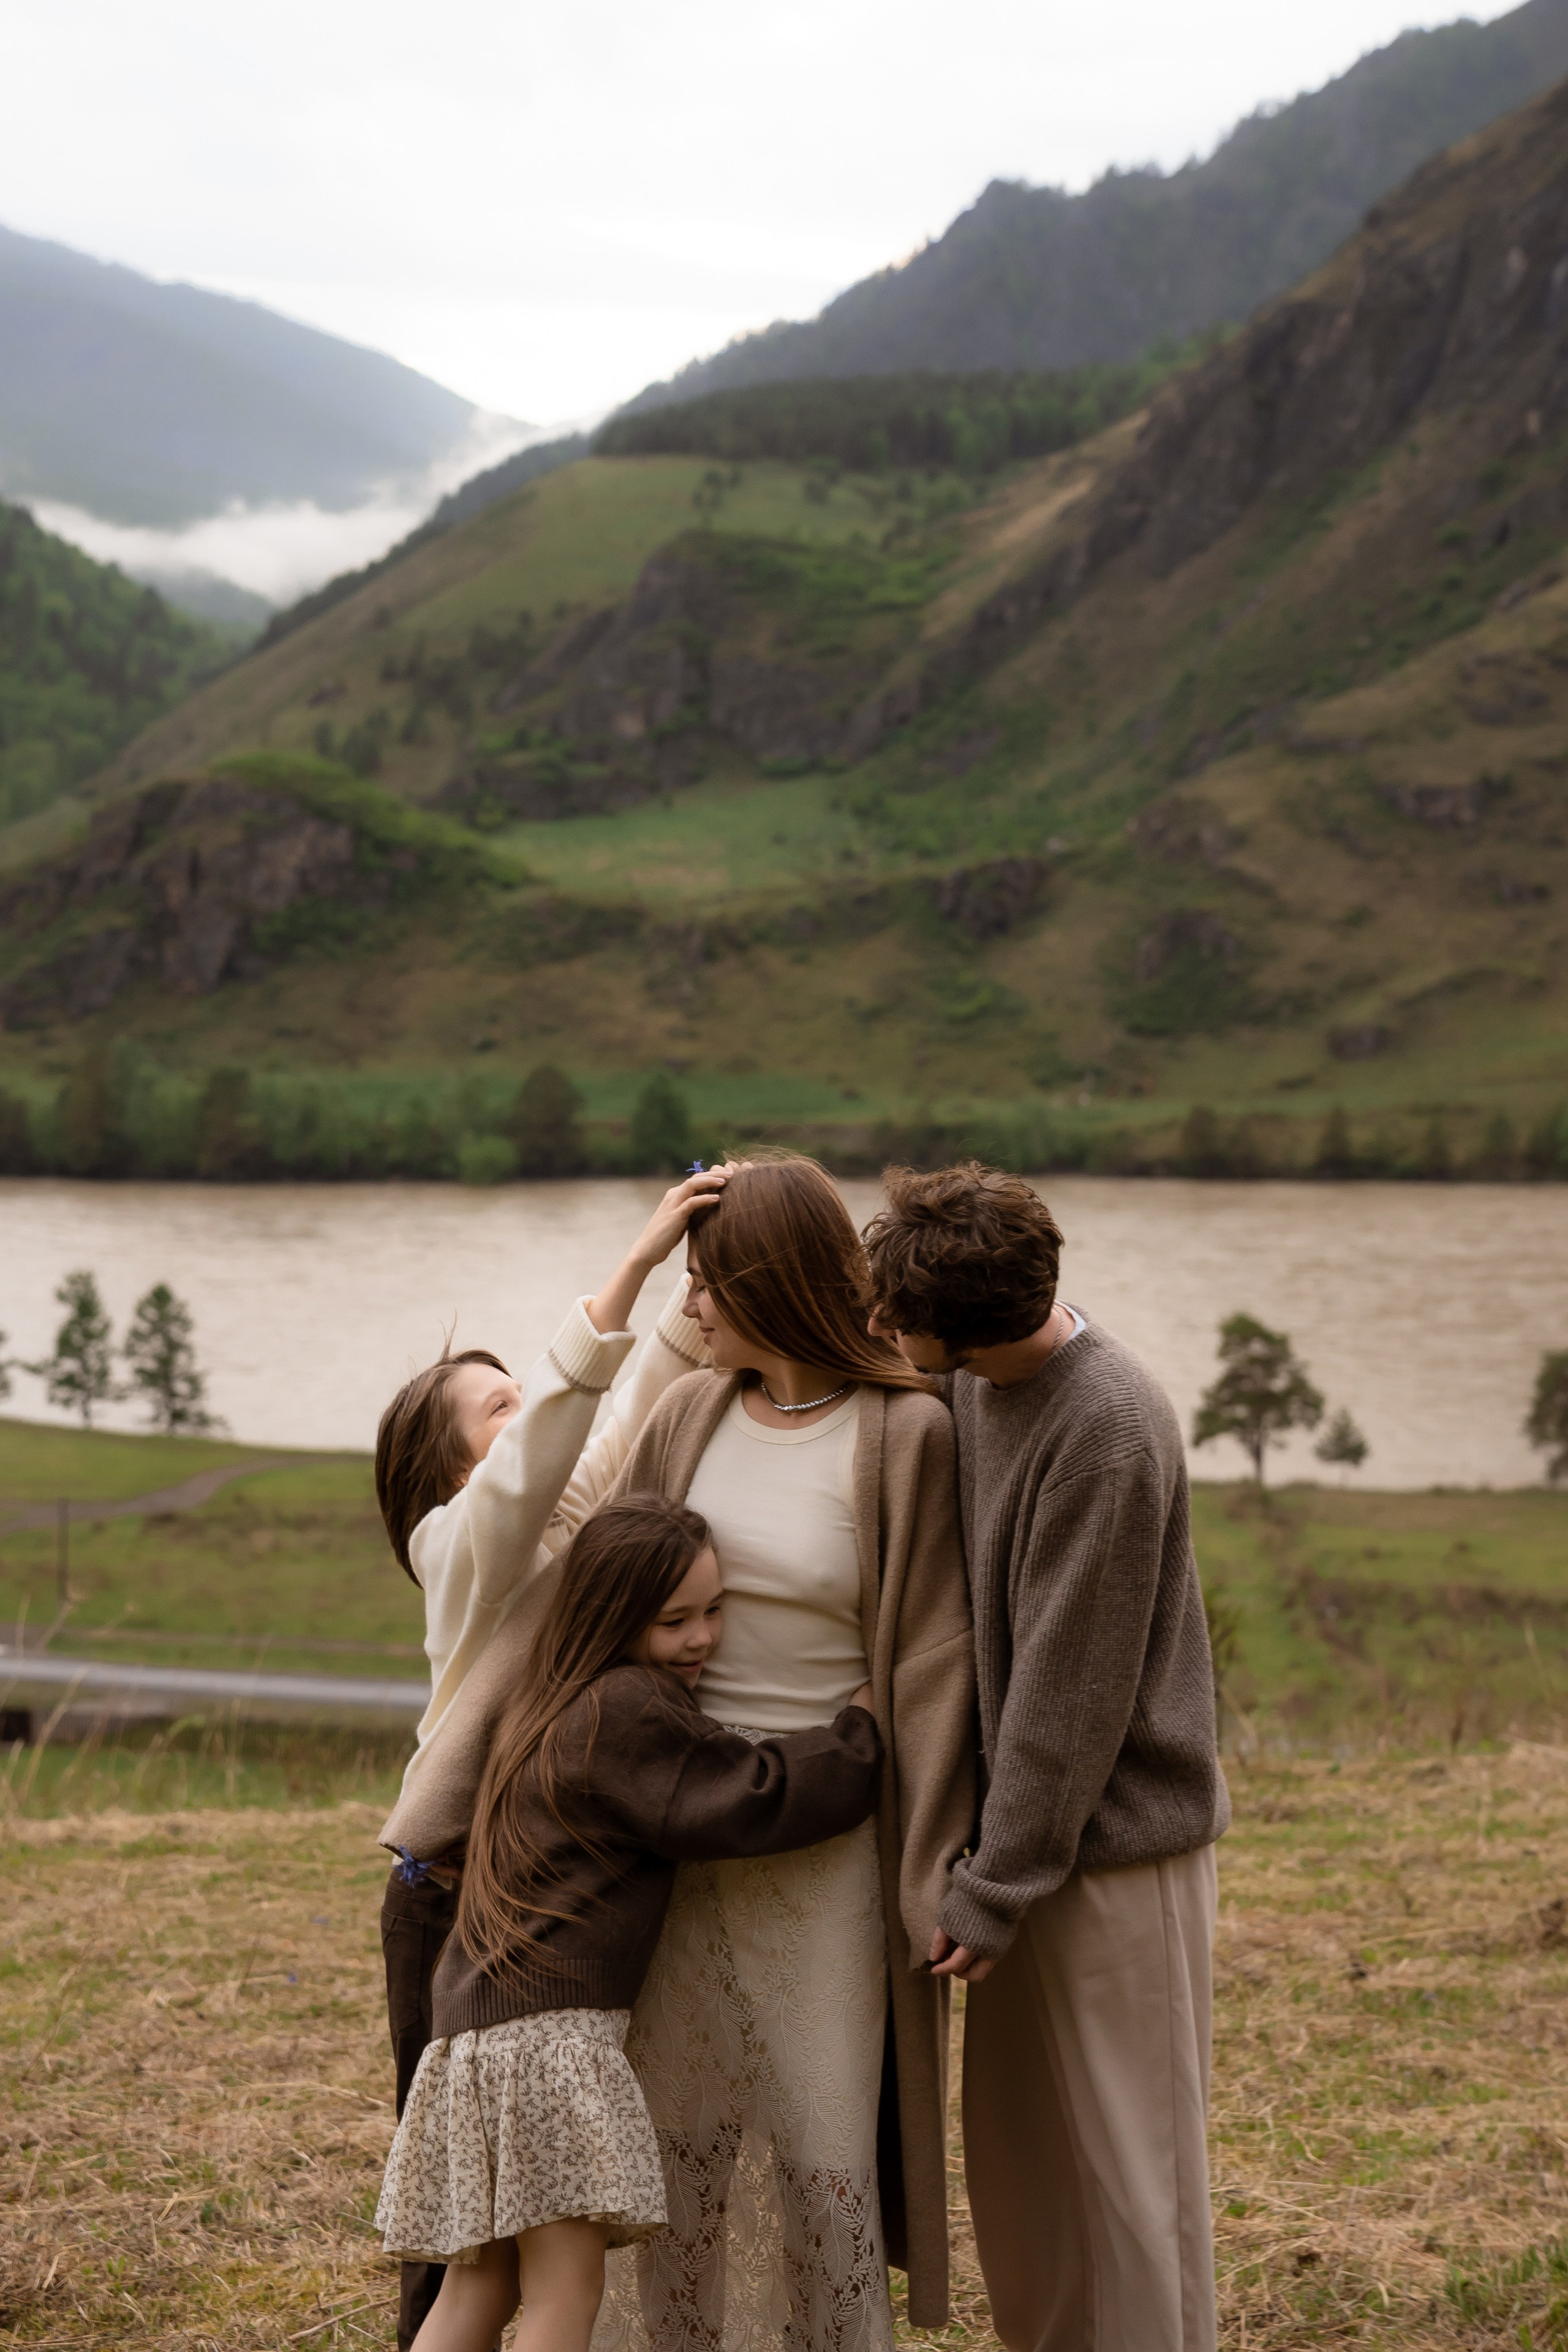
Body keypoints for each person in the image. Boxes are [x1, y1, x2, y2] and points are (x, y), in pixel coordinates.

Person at [599, 1152, 976, 2351]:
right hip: (679, 1841)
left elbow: (932, 1666)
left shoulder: (904, 1433)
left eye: (705, 1283)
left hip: (827, 1860)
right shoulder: (681, 1414)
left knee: (826, 2167)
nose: (691, 1308)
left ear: (765, 1283)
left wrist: (936, 1873)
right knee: (676, 2157)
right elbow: (601, 1608)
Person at [862, 1161, 1231, 2352]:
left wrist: (996, 1879)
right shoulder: (971, 1384)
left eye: (900, 1319)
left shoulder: (1106, 1426)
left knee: (1130, 2180)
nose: (885, 1331)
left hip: (1115, 1854)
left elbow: (1068, 1696)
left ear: (963, 1331)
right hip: (1020, 1855)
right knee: (1025, 2168)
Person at [375, 1494, 881, 2352]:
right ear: (613, 1617)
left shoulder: (547, 1699)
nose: (700, 1640)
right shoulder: (626, 1707)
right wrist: (859, 1735)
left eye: (715, 1611)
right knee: (564, 2297)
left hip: (473, 2040)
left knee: (477, 2291)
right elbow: (744, 1794)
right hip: (554, 2047)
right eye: (672, 1620)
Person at [372, 1170, 726, 2348]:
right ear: (459, 1472)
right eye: (498, 1411)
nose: (526, 1419)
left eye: (526, 1395)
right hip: (443, 1893)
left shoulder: (561, 1524)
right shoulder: (455, 1550)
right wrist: (628, 1272)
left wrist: (694, 1302)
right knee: (466, 2224)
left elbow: (626, 1428)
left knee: (503, 2225)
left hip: (511, 1889)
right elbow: (547, 1464)